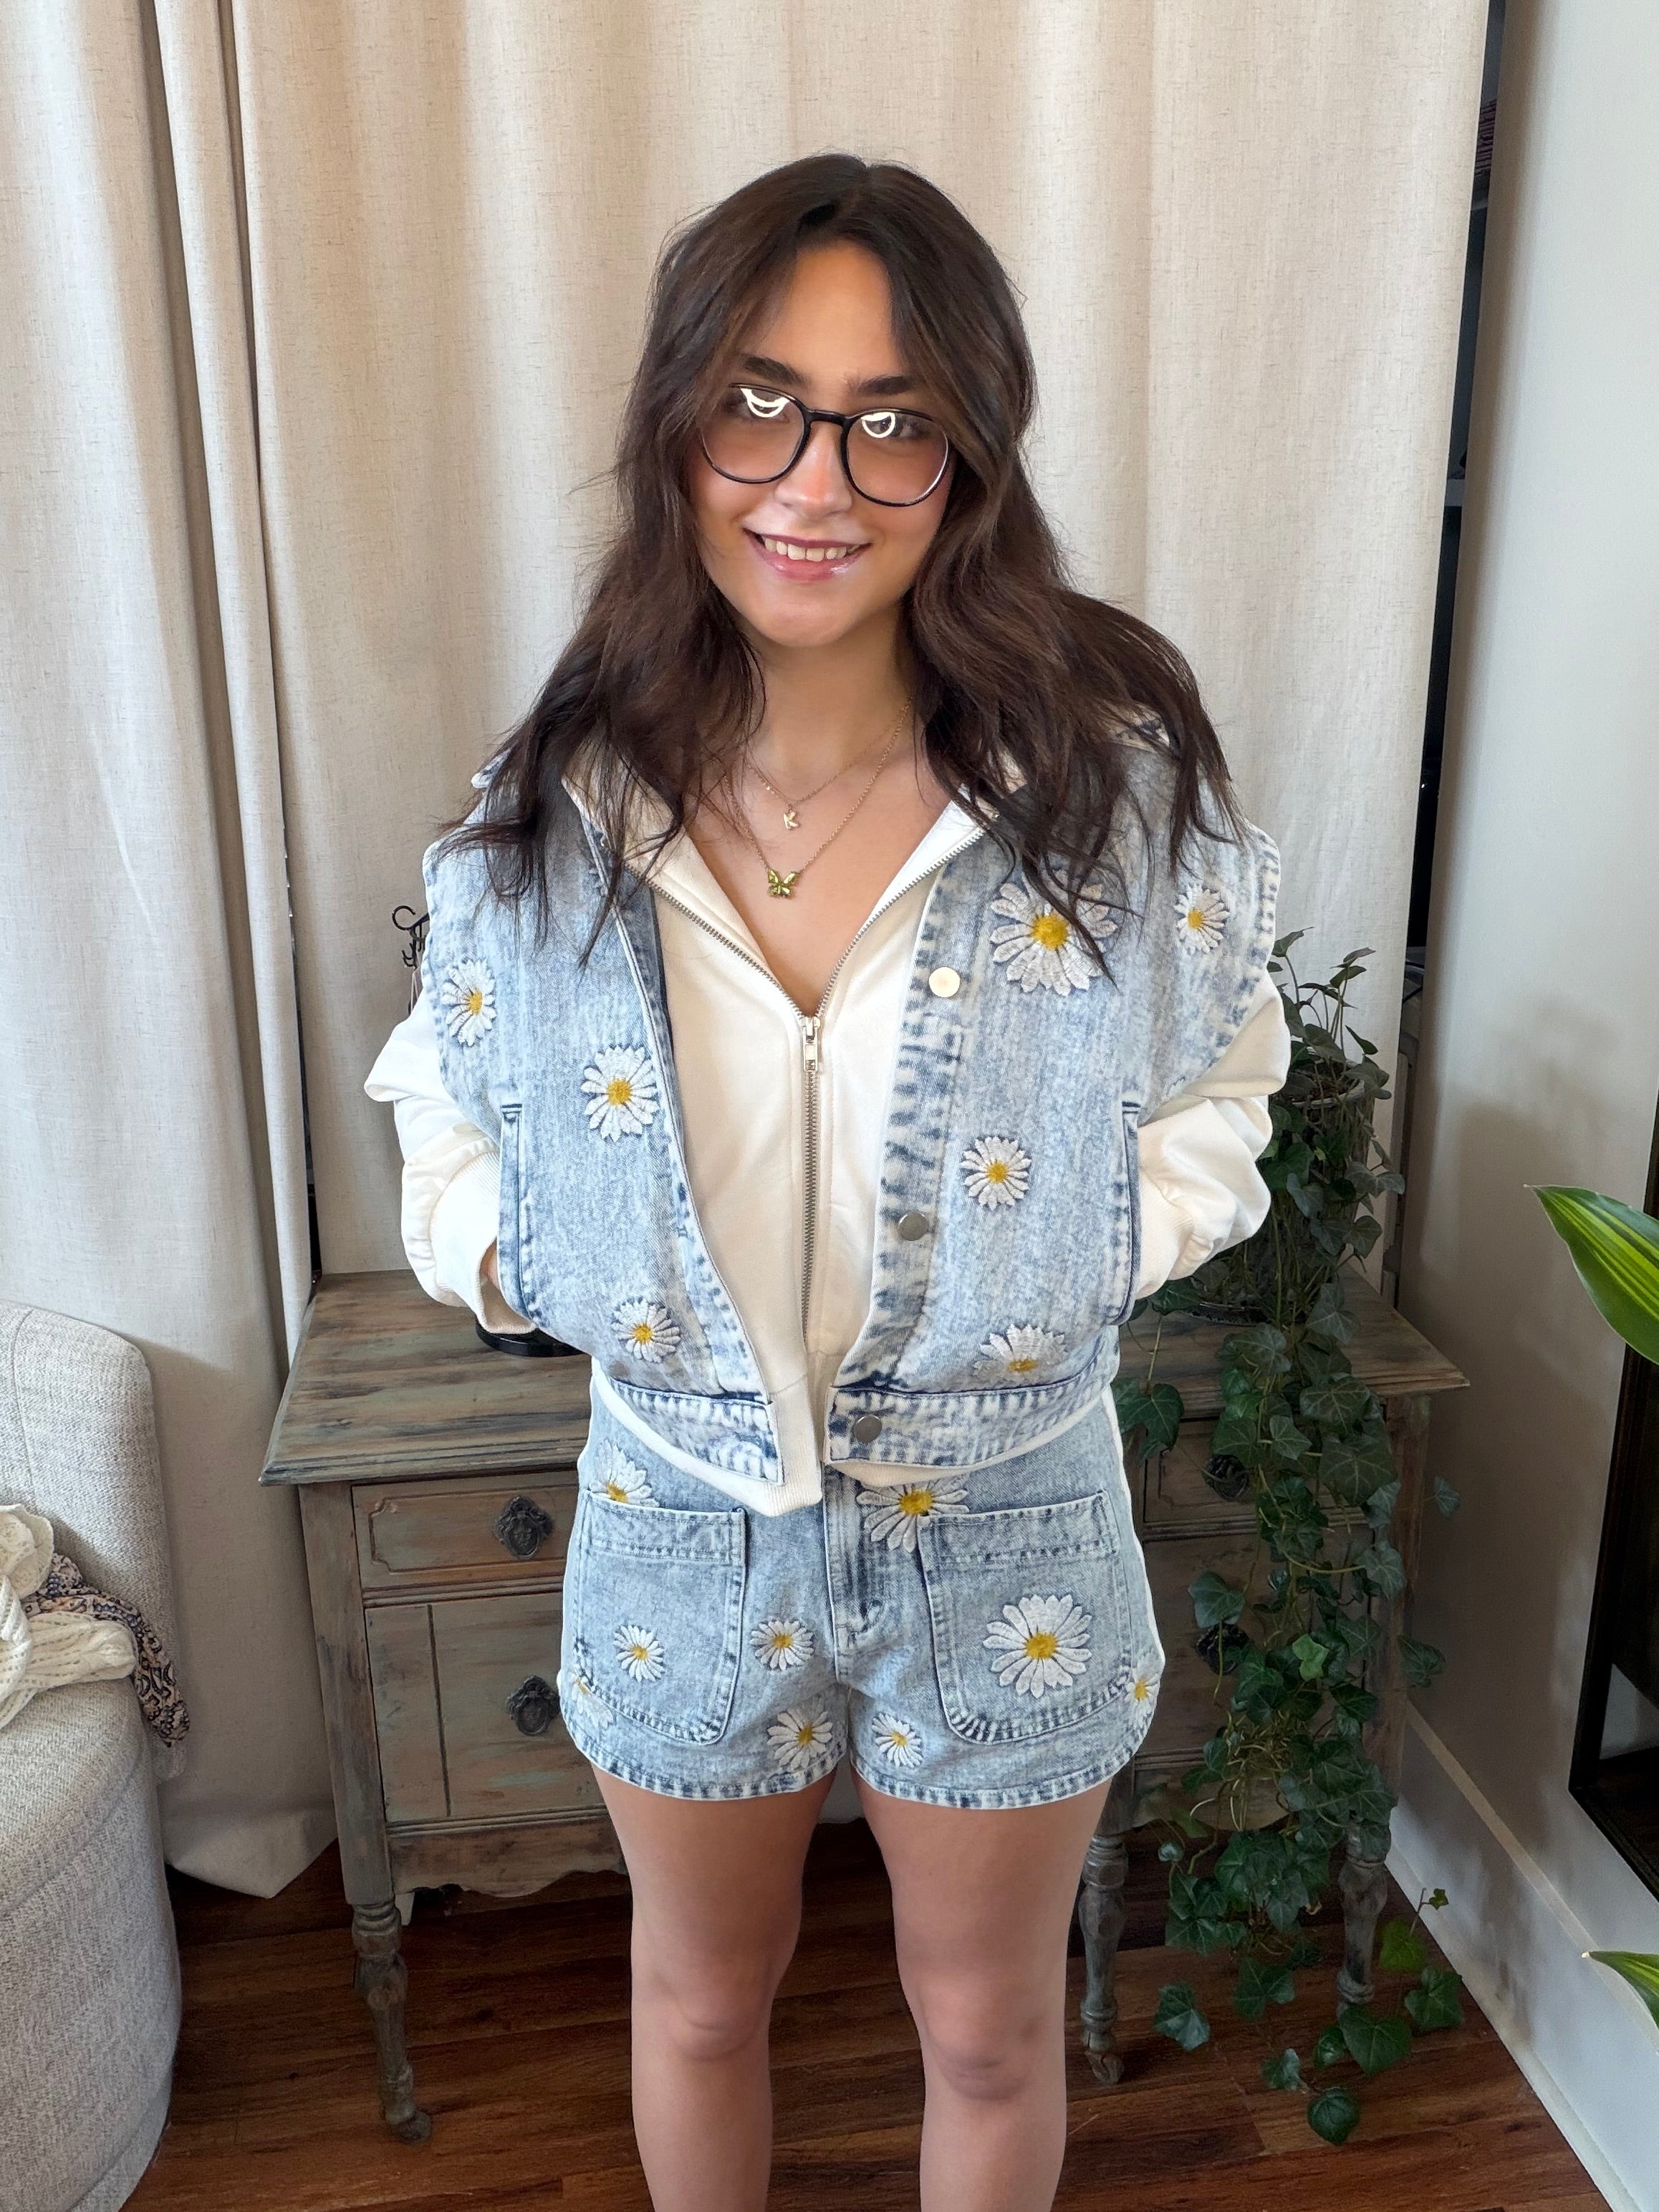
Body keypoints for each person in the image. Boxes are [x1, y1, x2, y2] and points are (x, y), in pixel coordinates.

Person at [365, 152, 1289, 2212]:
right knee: (698, 2002)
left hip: (1010, 1517)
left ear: (966, 459)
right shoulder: (567, 808)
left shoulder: (1097, 800)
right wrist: (503, 1250)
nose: (815, 478)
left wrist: (1088, 1250)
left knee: (980, 2025)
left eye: (893, 421)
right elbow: (444, 1071)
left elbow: (1227, 1069)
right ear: (679, 421)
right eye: (757, 403)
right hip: (676, 1513)